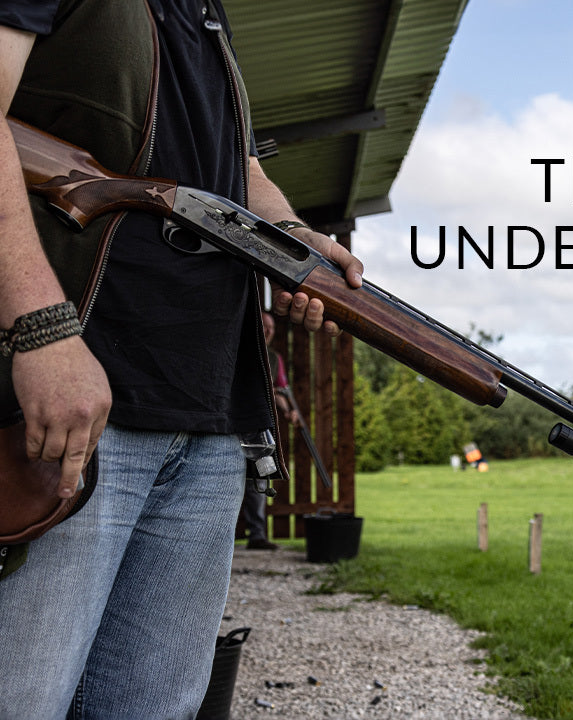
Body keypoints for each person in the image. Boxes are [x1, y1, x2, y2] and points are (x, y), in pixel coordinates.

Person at [0, 1, 364, 718]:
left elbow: (238, 165)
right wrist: (43, 330)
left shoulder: (208, 11)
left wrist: (289, 232)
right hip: (76, 405)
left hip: (210, 413)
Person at [240, 311, 301, 551]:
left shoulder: (274, 359)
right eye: (264, 325)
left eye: (271, 328)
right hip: (231, 425)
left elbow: (280, 391)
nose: (267, 331)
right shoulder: (240, 349)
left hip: (259, 429)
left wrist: (288, 412)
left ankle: (257, 536)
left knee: (260, 479)